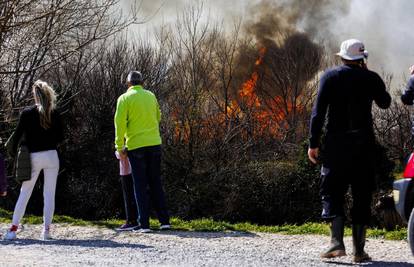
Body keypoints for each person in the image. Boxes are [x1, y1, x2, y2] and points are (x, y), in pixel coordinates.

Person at [308, 39, 391, 262]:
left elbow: (318, 113)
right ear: (362, 58)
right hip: (364, 145)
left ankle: (336, 243)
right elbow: (385, 102)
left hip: (336, 145)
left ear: (342, 56)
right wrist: (370, 76)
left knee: (331, 190)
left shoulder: (330, 77)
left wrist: (313, 143)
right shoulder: (370, 78)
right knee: (362, 194)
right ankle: (359, 251)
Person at [4, 80, 63, 240]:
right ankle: (46, 231)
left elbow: (16, 136)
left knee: (25, 192)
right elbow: (61, 137)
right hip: (51, 156)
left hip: (33, 156)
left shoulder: (27, 113)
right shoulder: (54, 113)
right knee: (49, 194)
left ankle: (13, 230)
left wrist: (12, 152)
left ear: (35, 95)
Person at [114, 71, 170, 233]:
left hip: (136, 145)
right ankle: (164, 221)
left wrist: (119, 146)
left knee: (139, 184)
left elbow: (120, 125)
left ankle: (144, 224)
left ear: (128, 84)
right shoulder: (151, 95)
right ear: (142, 83)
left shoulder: (124, 98)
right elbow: (158, 116)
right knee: (155, 183)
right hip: (154, 143)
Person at [115, 150, 139, 231]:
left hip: (126, 171)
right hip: (130, 170)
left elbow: (120, 155)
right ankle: (135, 219)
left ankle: (131, 221)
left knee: (128, 197)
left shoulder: (124, 142)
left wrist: (117, 152)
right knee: (132, 196)